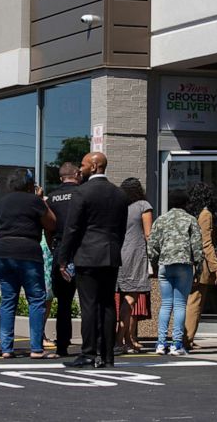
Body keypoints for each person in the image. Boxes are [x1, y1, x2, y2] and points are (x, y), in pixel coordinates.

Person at [59, 152, 129, 369]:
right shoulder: (119, 194)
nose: (81, 168)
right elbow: (121, 228)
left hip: (88, 255)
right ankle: (108, 355)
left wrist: (63, 258)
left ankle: (88, 353)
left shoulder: (82, 192)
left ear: (95, 165)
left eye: (84, 164)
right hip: (110, 254)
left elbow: (72, 228)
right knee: (108, 304)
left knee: (89, 305)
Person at [0, 170, 56, 358]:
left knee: (8, 299)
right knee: (36, 299)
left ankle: (6, 348)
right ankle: (36, 348)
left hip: (2, 251)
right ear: (30, 185)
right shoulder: (34, 201)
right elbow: (52, 223)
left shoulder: (1, 202)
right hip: (28, 250)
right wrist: (41, 199)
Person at [147, 189, 203, 356]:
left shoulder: (161, 220)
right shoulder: (190, 220)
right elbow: (197, 247)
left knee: (165, 304)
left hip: (165, 264)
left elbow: (152, 245)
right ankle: (176, 344)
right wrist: (198, 269)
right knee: (180, 305)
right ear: (185, 203)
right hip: (184, 265)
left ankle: (160, 343)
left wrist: (154, 264)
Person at [46, 162, 82, 356]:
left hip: (60, 251)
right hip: (83, 250)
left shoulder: (51, 198)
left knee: (64, 303)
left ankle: (62, 345)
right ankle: (92, 344)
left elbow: (48, 228)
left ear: (61, 178)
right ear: (76, 174)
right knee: (89, 300)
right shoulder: (83, 193)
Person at [114, 177, 153, 355]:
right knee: (131, 297)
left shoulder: (120, 207)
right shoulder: (143, 206)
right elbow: (148, 234)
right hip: (135, 254)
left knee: (122, 295)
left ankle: (127, 339)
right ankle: (119, 339)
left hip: (118, 253)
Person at [184, 181, 217, 350]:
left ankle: (187, 337)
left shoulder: (190, 212)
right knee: (196, 302)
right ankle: (187, 338)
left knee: (187, 301)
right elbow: (206, 243)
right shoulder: (206, 214)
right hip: (200, 265)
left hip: (187, 261)